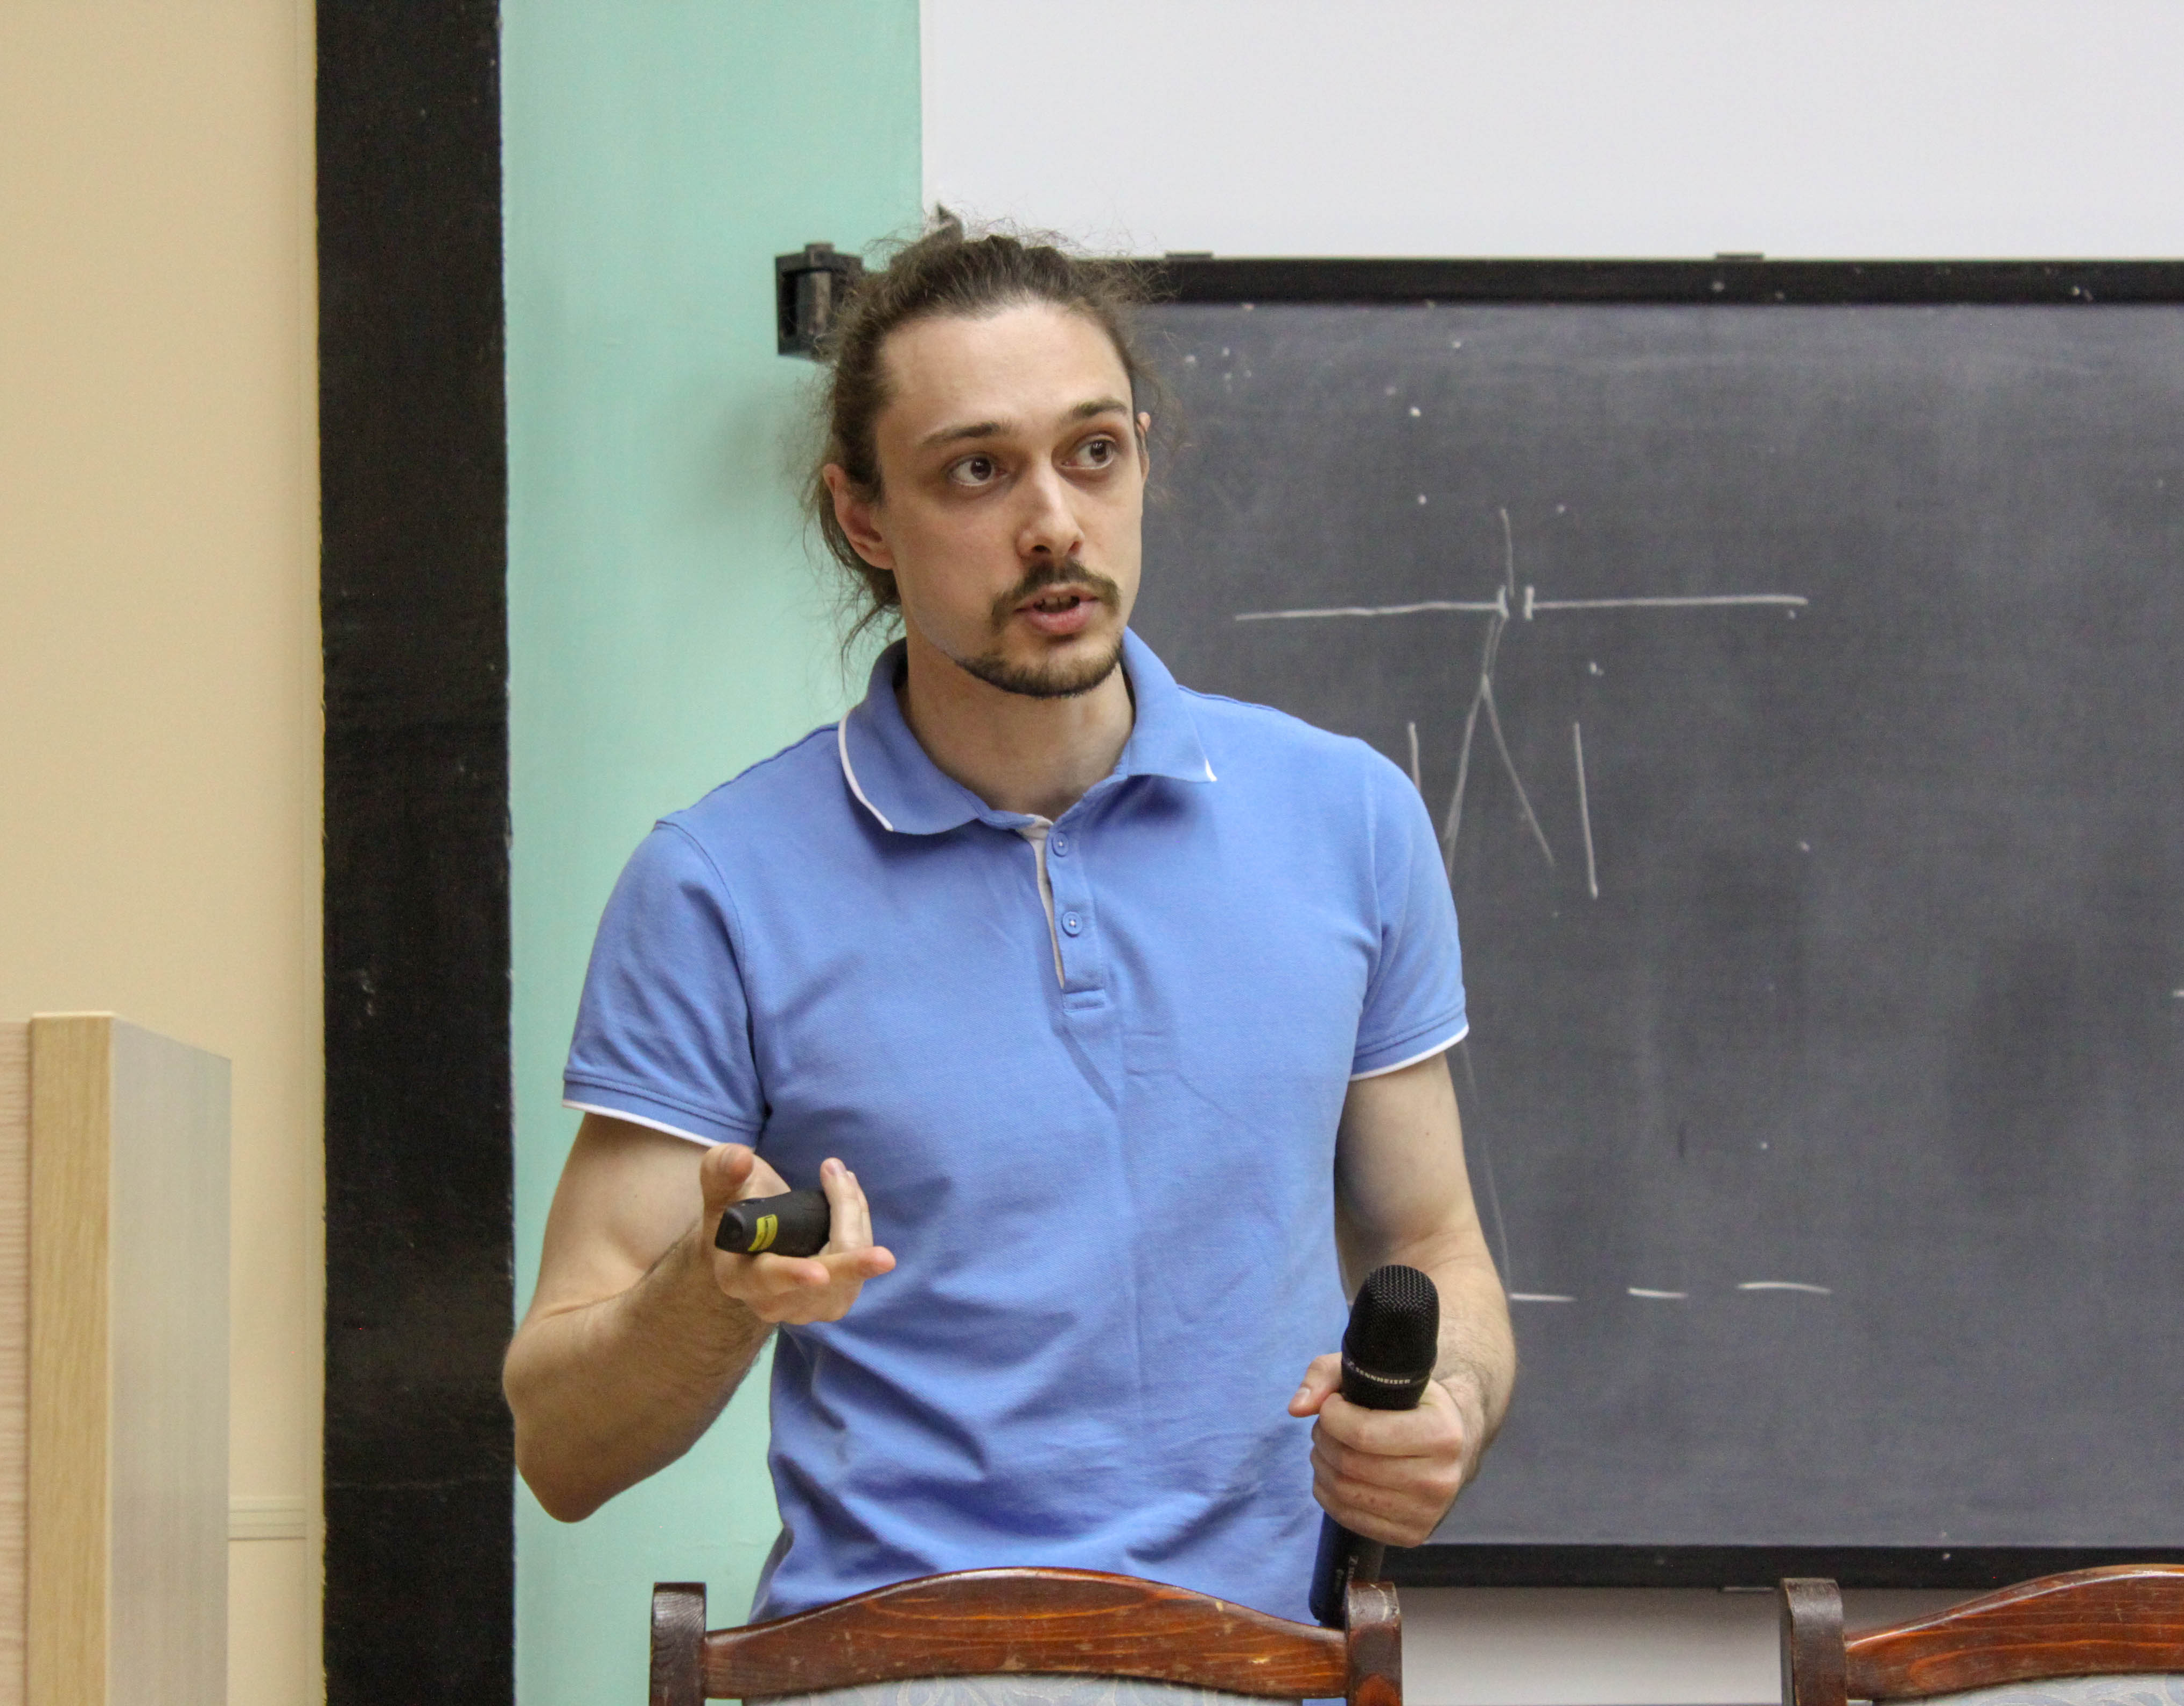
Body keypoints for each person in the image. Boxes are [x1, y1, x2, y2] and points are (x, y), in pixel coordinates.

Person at [502, 219, 1516, 1625]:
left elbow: (1438, 1243)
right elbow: (560, 1450)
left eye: (1091, 452)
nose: (1053, 523)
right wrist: (716, 1292)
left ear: (1141, 458)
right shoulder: (716, 886)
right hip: (894, 1665)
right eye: (977, 471)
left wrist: (1445, 1402)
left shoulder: (1349, 818)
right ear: (865, 518)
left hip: (1260, 1662)